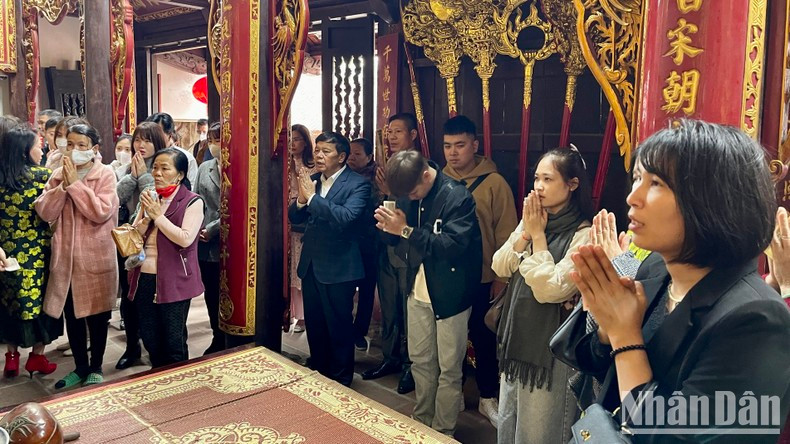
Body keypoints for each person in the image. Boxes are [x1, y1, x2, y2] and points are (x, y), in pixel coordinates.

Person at [567, 120, 790, 441]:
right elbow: (596, 367)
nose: (633, 197)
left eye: (655, 183)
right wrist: (607, 326)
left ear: (714, 198)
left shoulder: (757, 320)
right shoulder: (656, 269)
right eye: (636, 179)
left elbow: (674, 437)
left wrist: (624, 336)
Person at [374, 150, 482, 436]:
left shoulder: (457, 197)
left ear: (426, 174)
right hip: (415, 289)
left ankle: (443, 431)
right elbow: (396, 238)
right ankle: (422, 422)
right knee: (420, 361)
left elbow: (451, 247)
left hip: (450, 294)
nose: (409, 199)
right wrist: (386, 228)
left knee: (449, 369)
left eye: (412, 192)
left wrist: (406, 230)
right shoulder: (407, 191)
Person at [491, 146, 592, 444]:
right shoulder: (534, 218)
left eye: (548, 179)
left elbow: (552, 289)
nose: (538, 186)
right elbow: (500, 265)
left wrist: (537, 237)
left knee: (539, 433)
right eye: (537, 178)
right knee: (509, 422)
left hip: (550, 353)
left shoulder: (583, 232)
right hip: (520, 342)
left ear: (572, 184)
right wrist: (526, 233)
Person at [441, 115, 517, 427]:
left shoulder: (495, 183)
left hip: (483, 278)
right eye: (447, 146)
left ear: (475, 145)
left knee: (484, 340)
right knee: (449, 341)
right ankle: (453, 393)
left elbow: (507, 234)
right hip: (446, 277)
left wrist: (501, 278)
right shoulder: (437, 180)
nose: (453, 153)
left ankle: (488, 397)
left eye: (460, 145)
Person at [35, 123, 119, 388]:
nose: (74, 150)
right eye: (70, 144)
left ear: (94, 149)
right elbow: (44, 211)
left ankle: (96, 367)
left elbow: (101, 211)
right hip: (66, 260)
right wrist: (62, 187)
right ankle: (79, 367)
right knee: (72, 315)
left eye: (81, 145)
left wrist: (76, 186)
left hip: (95, 256)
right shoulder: (58, 174)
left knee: (97, 316)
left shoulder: (105, 174)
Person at [287, 131, 370, 387]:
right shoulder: (313, 180)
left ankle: (342, 378)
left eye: (326, 151)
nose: (319, 156)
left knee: (339, 325)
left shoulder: (358, 184)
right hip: (312, 264)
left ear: (342, 157)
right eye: (318, 150)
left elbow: (345, 217)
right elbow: (295, 218)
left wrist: (312, 198)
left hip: (339, 266)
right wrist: (301, 202)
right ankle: (320, 370)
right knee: (316, 322)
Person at [127, 148, 205, 369]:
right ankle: (157, 373)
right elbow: (134, 235)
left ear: (180, 174)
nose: (157, 173)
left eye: (165, 168)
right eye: (155, 168)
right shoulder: (150, 197)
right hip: (144, 275)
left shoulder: (192, 201)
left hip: (175, 278)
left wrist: (158, 217)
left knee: (173, 338)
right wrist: (144, 219)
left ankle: (178, 384)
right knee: (150, 335)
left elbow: (185, 239)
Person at [362, 112, 419, 394]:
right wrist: (382, 193)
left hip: (407, 250)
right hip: (384, 247)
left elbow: (408, 210)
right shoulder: (386, 165)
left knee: (409, 309)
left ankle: (411, 366)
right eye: (390, 132)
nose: (393, 137)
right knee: (389, 307)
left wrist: (389, 193)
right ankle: (390, 358)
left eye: (398, 131)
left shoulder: (418, 167)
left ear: (413, 135)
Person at [0, 126, 61, 379]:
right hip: (39, 253)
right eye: (38, 145)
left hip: (6, 256)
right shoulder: (42, 177)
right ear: (26, 150)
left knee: (9, 303)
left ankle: (11, 357)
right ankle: (37, 357)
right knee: (44, 303)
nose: (42, 149)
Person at [114, 122, 169, 370]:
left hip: (156, 244)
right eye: (138, 139)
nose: (140, 145)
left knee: (152, 298)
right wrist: (132, 176)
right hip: (128, 241)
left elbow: (154, 201)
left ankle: (159, 349)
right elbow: (116, 198)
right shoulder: (129, 168)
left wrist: (144, 176)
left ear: (157, 143)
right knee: (128, 297)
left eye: (147, 140)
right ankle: (131, 347)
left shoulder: (165, 167)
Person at [347, 137, 381, 350]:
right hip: (349, 242)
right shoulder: (343, 175)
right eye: (349, 153)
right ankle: (346, 329)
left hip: (370, 242)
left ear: (369, 157)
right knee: (347, 289)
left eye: (357, 154)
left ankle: (359, 332)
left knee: (367, 289)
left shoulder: (377, 178)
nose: (351, 157)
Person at [194, 135, 225, 354]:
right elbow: (195, 199)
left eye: (220, 140)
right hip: (204, 241)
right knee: (211, 292)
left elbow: (238, 203)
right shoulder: (205, 167)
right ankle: (217, 335)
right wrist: (197, 227)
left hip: (227, 237)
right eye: (212, 140)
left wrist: (213, 228)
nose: (215, 145)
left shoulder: (238, 166)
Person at [287, 124, 315, 333]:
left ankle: (305, 316)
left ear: (305, 142)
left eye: (296, 138)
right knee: (288, 271)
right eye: (290, 138)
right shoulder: (282, 165)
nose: (292, 143)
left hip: (304, 223)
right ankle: (292, 313)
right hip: (284, 223)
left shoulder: (312, 166)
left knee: (300, 268)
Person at [146, 113, 198, 185]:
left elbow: (192, 187)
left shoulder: (185, 157)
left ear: (169, 135)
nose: (153, 138)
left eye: (157, 134)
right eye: (149, 135)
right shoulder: (144, 155)